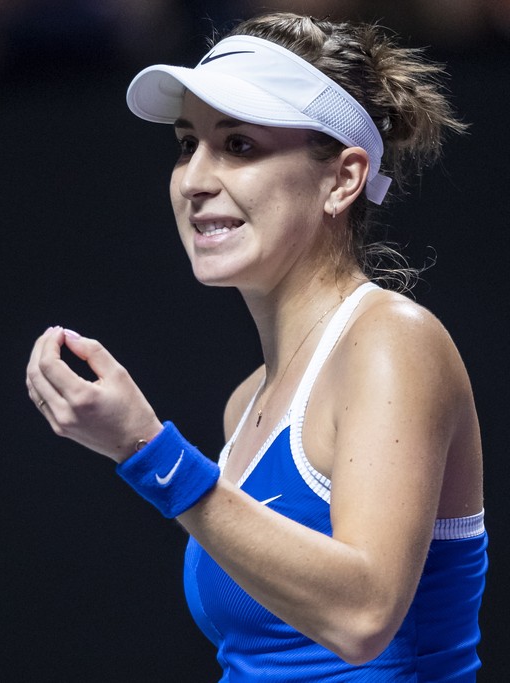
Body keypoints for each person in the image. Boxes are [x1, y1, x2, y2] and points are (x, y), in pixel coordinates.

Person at [26, 11, 486, 681]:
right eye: (187, 145)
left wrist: (148, 452)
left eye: (238, 145)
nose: (194, 179)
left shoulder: (393, 342)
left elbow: (361, 616)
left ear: (342, 179)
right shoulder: (246, 403)